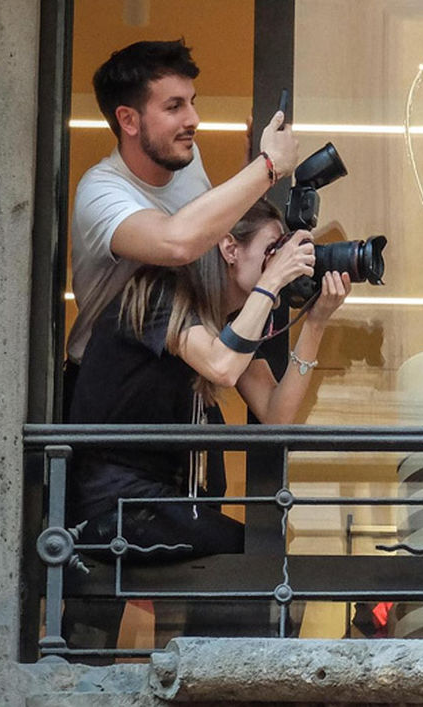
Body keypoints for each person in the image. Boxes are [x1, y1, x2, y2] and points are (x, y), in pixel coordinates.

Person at [63, 198, 351, 652]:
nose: (279, 260)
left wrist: (315, 323)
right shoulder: (160, 296)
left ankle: (199, 661)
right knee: (255, 557)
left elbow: (276, 417)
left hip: (154, 504)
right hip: (114, 505)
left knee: (259, 551)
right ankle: (208, 670)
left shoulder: (230, 326)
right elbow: (221, 367)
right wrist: (274, 282)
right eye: (271, 248)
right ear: (229, 248)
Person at [65, 39, 299, 404]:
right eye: (174, 107)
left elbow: (211, 240)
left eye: (192, 102)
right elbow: (177, 243)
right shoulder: (101, 192)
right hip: (111, 388)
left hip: (183, 364)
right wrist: (266, 168)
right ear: (128, 119)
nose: (193, 119)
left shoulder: (188, 161)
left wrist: (250, 175)